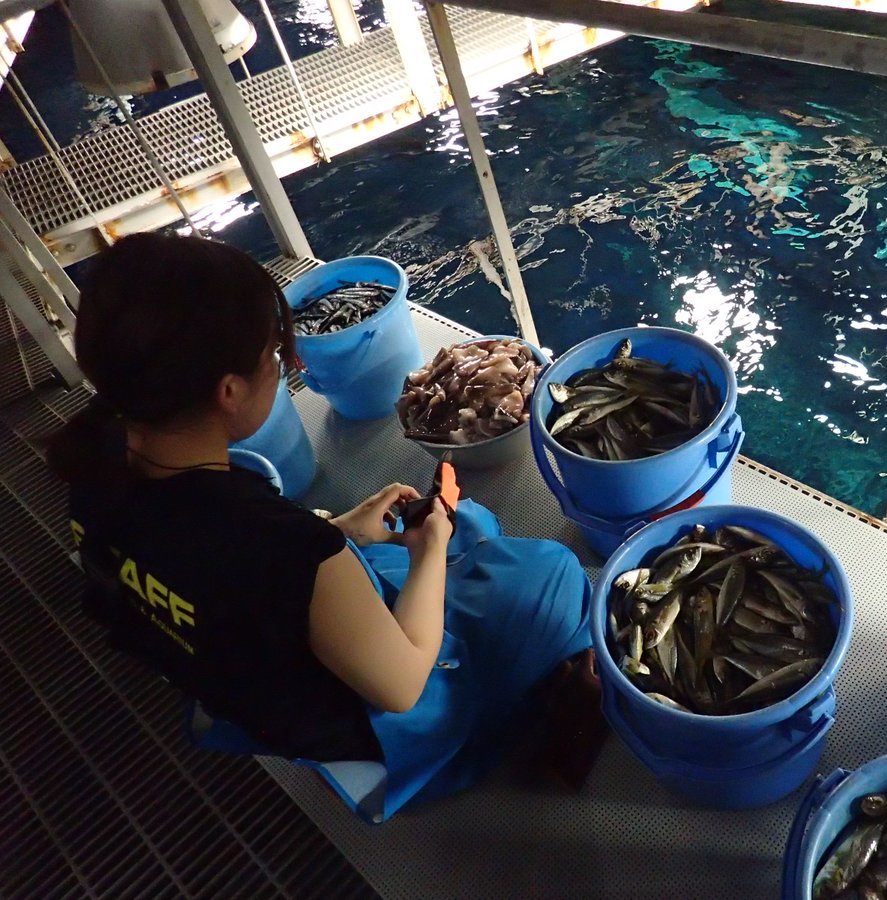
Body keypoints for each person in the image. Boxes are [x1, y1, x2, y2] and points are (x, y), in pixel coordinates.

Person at [46, 233, 607, 815]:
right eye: (273, 355)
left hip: (244, 674)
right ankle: (501, 730)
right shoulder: (287, 547)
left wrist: (341, 531)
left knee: (471, 523)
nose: (288, 364)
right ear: (229, 391)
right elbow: (400, 685)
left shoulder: (93, 463)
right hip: (371, 724)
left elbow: (219, 566)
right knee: (553, 574)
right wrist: (427, 551)